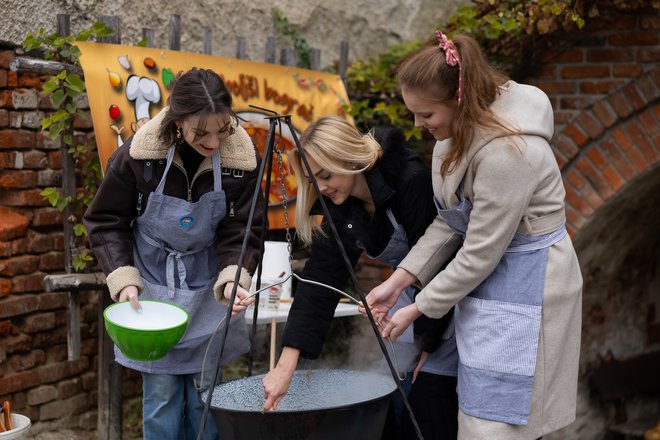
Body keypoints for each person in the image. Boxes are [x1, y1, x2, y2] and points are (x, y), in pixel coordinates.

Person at [363, 31, 583, 440]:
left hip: (530, 285)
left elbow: (479, 254)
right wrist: (400, 280)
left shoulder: (508, 154)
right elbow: (451, 221)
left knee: (499, 422)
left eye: (425, 114)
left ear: (459, 100)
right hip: (491, 281)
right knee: (482, 412)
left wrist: (416, 309)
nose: (417, 124)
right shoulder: (454, 137)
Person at [83, 67, 264, 440]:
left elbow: (242, 228)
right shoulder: (138, 156)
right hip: (152, 286)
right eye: (202, 133)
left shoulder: (241, 161)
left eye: (223, 129)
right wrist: (123, 280)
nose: (214, 142)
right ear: (178, 122)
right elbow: (105, 220)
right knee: (162, 397)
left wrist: (234, 276)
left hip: (209, 288)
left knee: (205, 398)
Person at [261, 115, 459, 439]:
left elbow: (441, 260)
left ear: (351, 159)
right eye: (314, 179)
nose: (321, 187)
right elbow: (320, 283)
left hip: (449, 300)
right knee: (390, 406)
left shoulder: (410, 179)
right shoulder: (342, 206)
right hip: (408, 304)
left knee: (429, 408)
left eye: (326, 175)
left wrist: (427, 343)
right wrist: (286, 365)